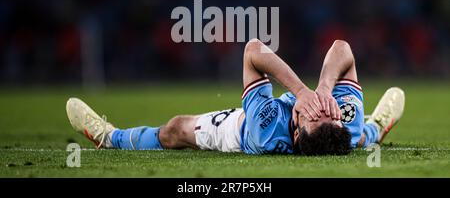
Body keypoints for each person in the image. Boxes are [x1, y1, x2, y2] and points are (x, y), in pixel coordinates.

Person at [66, 39, 405, 155]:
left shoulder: (264, 129)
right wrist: (321, 90)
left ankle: (108, 137)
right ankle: (376, 127)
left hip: (236, 132)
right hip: (341, 133)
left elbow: (253, 51)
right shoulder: (340, 117)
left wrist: (299, 92)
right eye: (329, 113)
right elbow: (342, 49)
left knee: (174, 129)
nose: (323, 109)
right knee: (356, 137)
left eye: (316, 115)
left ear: (298, 131)